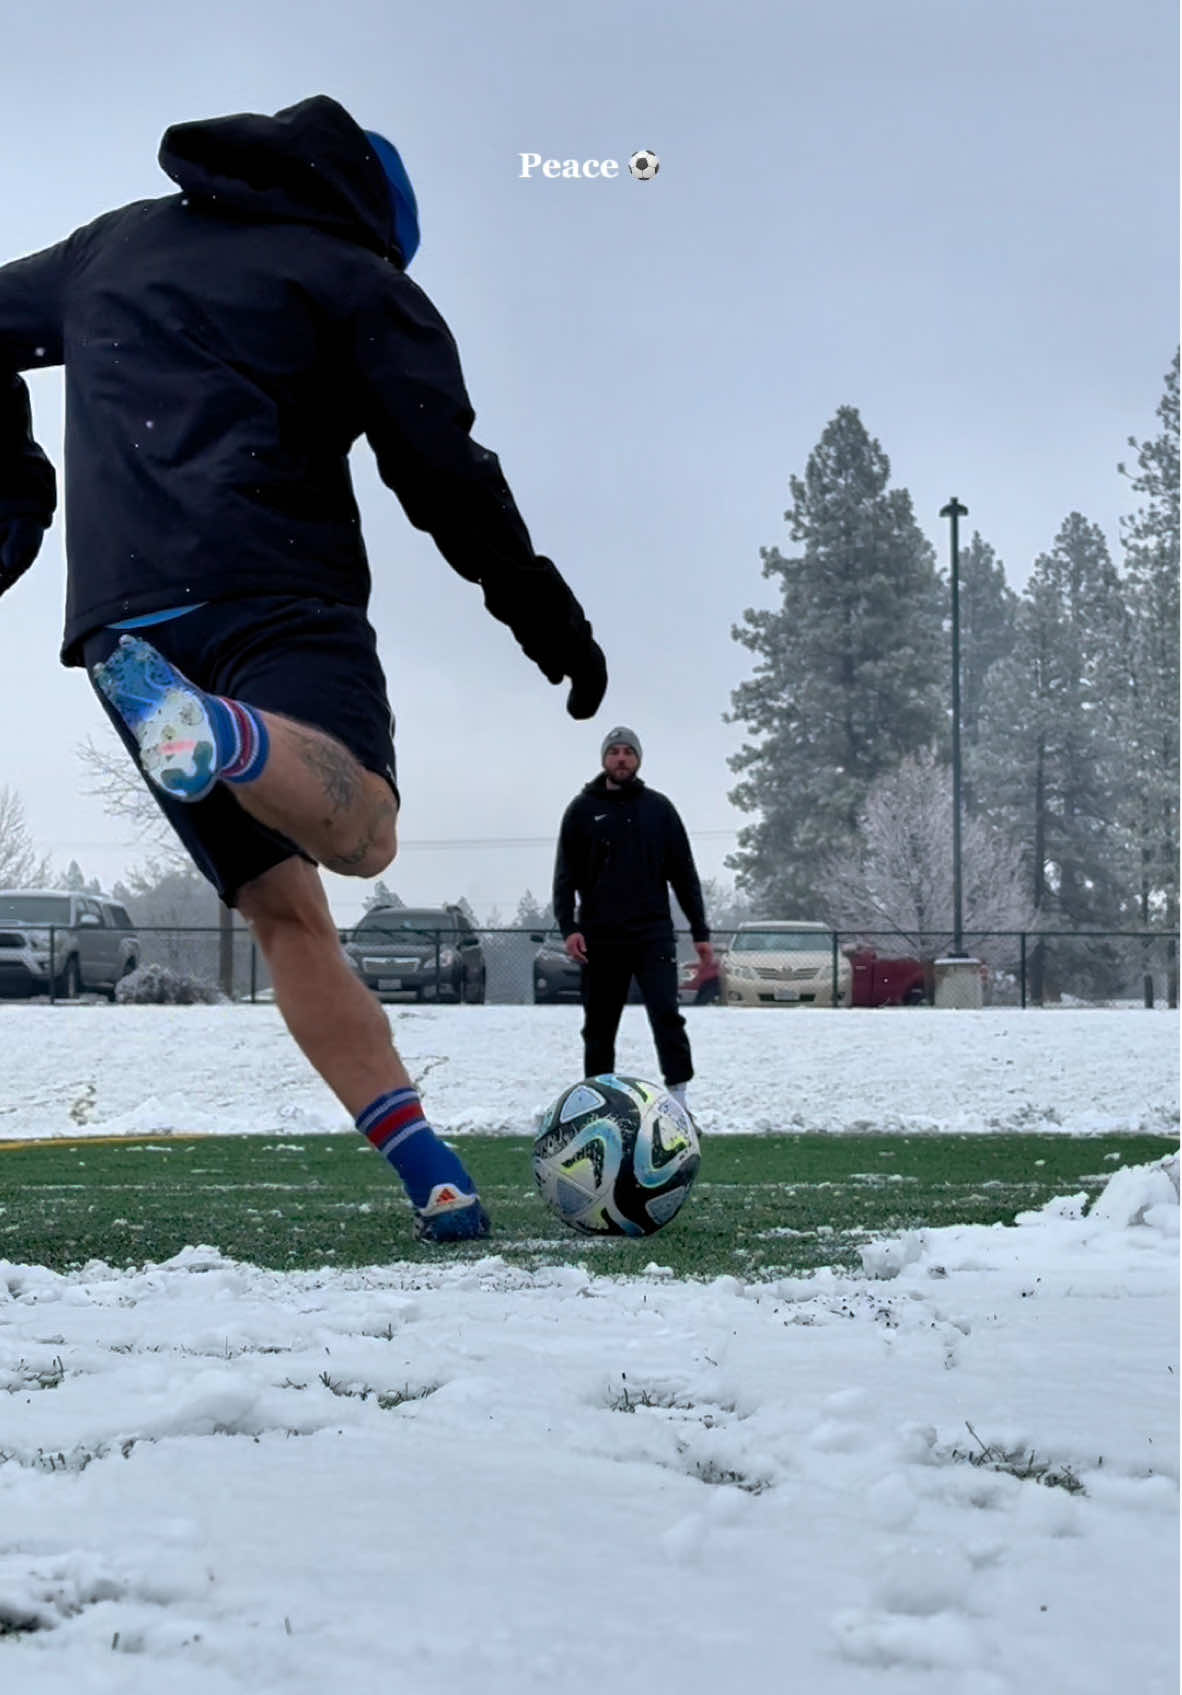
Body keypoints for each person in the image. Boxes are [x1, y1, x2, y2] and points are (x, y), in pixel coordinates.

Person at [0, 95, 607, 1242]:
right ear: (378, 221)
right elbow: (444, 470)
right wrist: (546, 618)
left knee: (288, 918)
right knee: (360, 833)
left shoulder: (110, 247)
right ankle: (222, 734)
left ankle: (431, 1171)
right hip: (274, 587)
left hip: (123, 621)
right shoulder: (353, 273)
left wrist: (16, 489)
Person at [552, 727, 714, 1109]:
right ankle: (596, 1103)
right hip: (600, 936)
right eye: (614, 752)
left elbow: (684, 875)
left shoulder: (659, 809)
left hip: (651, 934)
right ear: (604, 759)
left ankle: (679, 1101)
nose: (621, 758)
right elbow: (564, 877)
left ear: (638, 759)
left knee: (666, 1016)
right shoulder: (582, 810)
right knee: (599, 1026)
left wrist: (700, 931)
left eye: (628, 752)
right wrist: (569, 928)